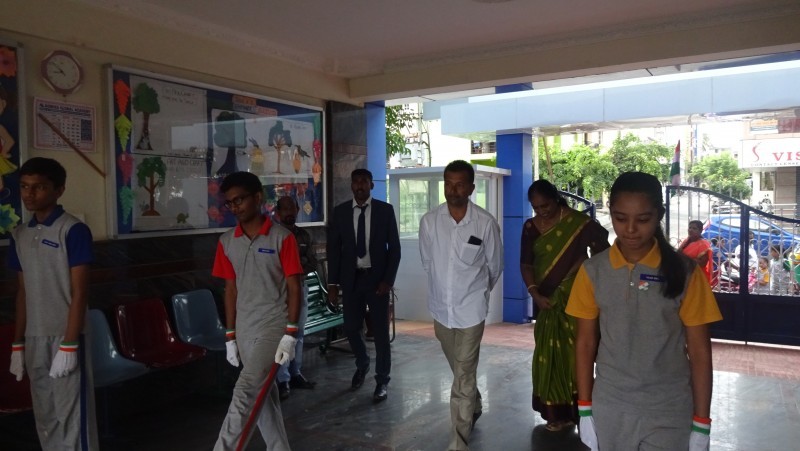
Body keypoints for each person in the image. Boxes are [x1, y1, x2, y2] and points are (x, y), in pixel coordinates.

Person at [566, 171, 722, 451]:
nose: (630, 229)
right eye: (620, 218)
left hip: (670, 409)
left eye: (643, 219)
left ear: (659, 215)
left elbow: (700, 352)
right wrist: (585, 408)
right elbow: (585, 343)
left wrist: (702, 422)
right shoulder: (593, 271)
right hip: (610, 407)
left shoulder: (685, 272)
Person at [6, 157, 99, 450]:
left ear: (59, 190)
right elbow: (23, 292)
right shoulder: (19, 235)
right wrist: (18, 344)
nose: (29, 194)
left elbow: (79, 292)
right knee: (46, 416)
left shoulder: (73, 230)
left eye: (39, 187)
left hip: (65, 335)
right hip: (35, 337)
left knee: (72, 417)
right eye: (24, 186)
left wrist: (69, 344)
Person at [212, 172, 303, 451]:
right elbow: (230, 290)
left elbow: (294, 287)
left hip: (273, 327)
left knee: (246, 392)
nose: (235, 207)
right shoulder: (227, 241)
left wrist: (290, 333)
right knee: (264, 397)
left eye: (239, 200)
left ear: (258, 198)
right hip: (244, 329)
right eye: (230, 203)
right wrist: (230, 336)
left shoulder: (282, 238)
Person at [419, 160, 504, 450]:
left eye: (459, 184)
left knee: (463, 375)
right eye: (448, 183)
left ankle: (458, 442)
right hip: (441, 310)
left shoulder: (485, 223)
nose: (453, 190)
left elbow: (494, 266)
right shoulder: (430, 222)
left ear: (471, 188)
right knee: (459, 370)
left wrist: (478, 294)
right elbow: (428, 262)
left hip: (471, 311)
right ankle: (474, 403)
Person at [519, 179, 609, 432]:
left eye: (545, 206)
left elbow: (605, 256)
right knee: (548, 356)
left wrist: (583, 264)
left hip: (576, 298)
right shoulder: (530, 228)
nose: (541, 212)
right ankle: (555, 413)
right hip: (545, 299)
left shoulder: (580, 224)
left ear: (556, 200)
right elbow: (525, 264)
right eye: (536, 208)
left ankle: (582, 412)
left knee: (576, 354)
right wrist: (534, 292)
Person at [327, 168, 401, 402]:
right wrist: (332, 283)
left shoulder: (385, 211)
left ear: (372, 185)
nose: (360, 185)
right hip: (351, 280)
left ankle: (382, 380)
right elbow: (334, 250)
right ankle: (362, 362)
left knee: (380, 333)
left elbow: (395, 249)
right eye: (356, 182)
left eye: (364, 181)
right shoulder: (340, 212)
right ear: (351, 185)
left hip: (376, 280)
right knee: (351, 327)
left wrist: (388, 281)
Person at [274, 195, 317, 400]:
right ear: (278, 212)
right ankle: (282, 379)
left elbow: (313, 262)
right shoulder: (273, 236)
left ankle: (295, 372)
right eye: (285, 209)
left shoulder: (304, 236)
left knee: (298, 333)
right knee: (283, 335)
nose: (289, 212)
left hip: (300, 289)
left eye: (292, 208)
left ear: (298, 210)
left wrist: (295, 272)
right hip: (279, 293)